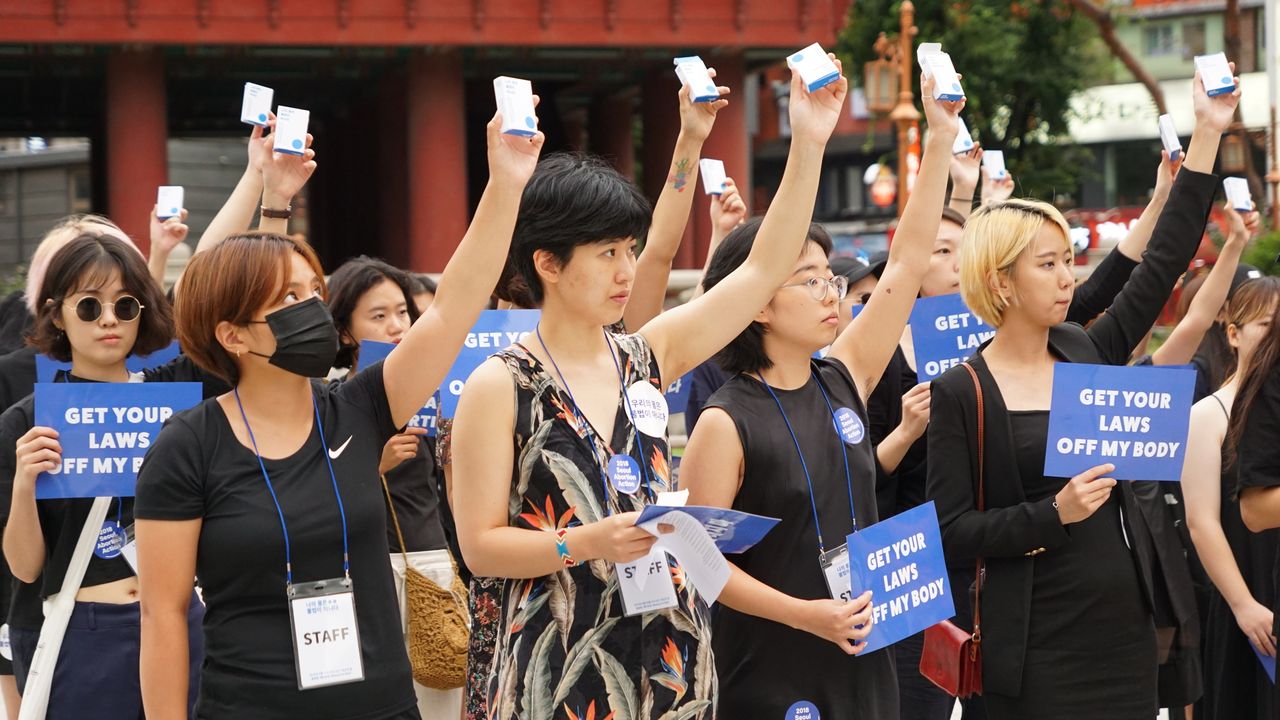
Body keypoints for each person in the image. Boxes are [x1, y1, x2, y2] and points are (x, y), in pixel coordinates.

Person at [450, 59, 848, 718]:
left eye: (630, 251)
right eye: (607, 254)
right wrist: (587, 542)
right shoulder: (500, 384)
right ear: (548, 263)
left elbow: (763, 270)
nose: (627, 272)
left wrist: (809, 141)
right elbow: (480, 546)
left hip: (670, 658)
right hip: (559, 667)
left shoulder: (646, 354)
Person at [133, 107, 544, 719]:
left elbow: (453, 307)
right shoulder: (187, 446)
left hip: (381, 705)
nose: (312, 309)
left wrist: (506, 183)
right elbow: (163, 616)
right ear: (233, 335)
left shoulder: (362, 406)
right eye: (288, 299)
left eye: (313, 292)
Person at [925, 68, 1237, 719]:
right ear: (1001, 282)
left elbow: (1162, 265)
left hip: (1125, 636)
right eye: (1048, 264)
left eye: (1069, 261)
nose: (1068, 279)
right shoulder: (964, 390)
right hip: (1032, 649)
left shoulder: (1085, 350)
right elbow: (952, 532)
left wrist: (1207, 134)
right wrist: (1054, 514)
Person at [674, 72, 960, 719]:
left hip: (861, 649)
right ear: (756, 305)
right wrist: (807, 615)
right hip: (772, 664)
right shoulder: (726, 420)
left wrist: (939, 139)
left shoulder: (842, 374)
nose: (831, 291)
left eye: (829, 276)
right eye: (808, 280)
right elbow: (698, 562)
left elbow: (909, 262)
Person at [0, 233, 210, 718]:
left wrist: (272, 195)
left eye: (126, 305)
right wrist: (24, 483)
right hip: (83, 630)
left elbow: (227, 296)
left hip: (180, 619)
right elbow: (25, 568)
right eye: (90, 306)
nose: (109, 319)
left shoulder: (175, 396)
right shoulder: (27, 423)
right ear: (57, 314)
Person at [327, 256, 460, 720]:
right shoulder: (331, 402)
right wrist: (373, 465)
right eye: (378, 316)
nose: (397, 326)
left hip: (430, 563)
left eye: (402, 312)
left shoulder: (439, 391)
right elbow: (311, 496)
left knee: (442, 697)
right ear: (345, 331)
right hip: (367, 570)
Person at [1184, 276, 1280, 720]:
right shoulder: (1208, 413)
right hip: (1246, 590)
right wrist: (1244, 605)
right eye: (1266, 323)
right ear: (1234, 333)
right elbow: (1202, 521)